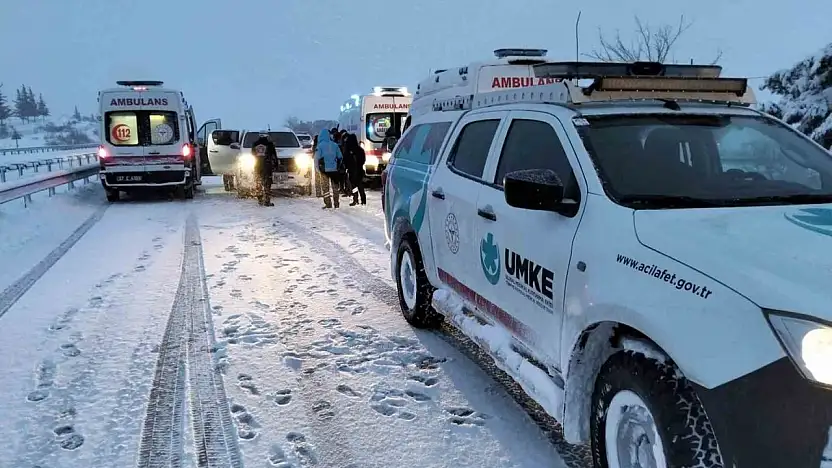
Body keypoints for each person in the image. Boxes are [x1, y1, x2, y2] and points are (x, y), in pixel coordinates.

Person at [314, 129, 344, 209]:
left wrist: (317, 168)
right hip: (334, 170)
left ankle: (328, 204)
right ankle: (336, 203)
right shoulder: (335, 145)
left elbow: (316, 158)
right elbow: (340, 157)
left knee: (325, 188)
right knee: (335, 187)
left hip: (325, 171)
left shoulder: (320, 146)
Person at [251, 133, 277, 206]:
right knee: (267, 183)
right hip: (267, 166)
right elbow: (274, 155)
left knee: (258, 182)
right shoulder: (270, 144)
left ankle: (260, 199)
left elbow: (252, 154)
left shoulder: (255, 144)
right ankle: (267, 200)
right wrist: (276, 164)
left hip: (257, 166)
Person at [344, 133, 367, 206]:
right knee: (360, 185)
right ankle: (363, 200)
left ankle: (355, 199)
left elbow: (345, 160)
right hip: (359, 169)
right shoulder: (360, 150)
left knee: (354, 185)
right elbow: (363, 160)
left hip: (351, 170)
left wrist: (347, 167)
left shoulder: (348, 150)